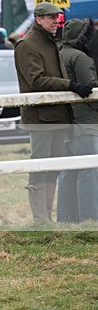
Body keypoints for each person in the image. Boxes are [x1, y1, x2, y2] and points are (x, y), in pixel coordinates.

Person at [14, 2, 93, 224]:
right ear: (39, 19)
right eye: (51, 18)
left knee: (53, 167)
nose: (56, 22)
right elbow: (36, 80)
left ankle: (46, 218)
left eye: (57, 18)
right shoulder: (27, 44)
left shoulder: (49, 42)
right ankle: (40, 219)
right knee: (39, 165)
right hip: (41, 117)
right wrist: (70, 85)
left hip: (57, 116)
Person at [56, 17, 98, 222]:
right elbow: (92, 89)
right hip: (84, 123)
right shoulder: (80, 58)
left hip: (64, 123)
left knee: (68, 172)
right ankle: (91, 218)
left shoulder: (58, 54)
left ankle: (65, 219)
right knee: (89, 170)